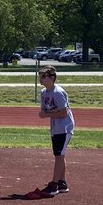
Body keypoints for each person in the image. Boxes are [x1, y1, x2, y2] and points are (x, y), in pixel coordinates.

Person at [34, 67, 74, 197]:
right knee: (59, 155)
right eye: (40, 76)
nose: (40, 79)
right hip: (55, 127)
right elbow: (43, 111)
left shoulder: (58, 92)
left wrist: (47, 114)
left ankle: (54, 184)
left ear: (52, 78)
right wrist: (46, 114)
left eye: (43, 76)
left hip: (64, 127)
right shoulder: (44, 92)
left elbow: (63, 113)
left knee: (59, 155)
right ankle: (62, 183)